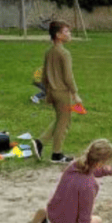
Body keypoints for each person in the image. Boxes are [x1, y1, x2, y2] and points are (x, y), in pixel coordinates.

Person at [24, 139, 112, 223]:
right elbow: (84, 220)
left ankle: (44, 217)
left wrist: (110, 170)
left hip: (51, 214)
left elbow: (91, 170)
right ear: (100, 163)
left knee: (63, 206)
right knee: (97, 221)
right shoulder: (89, 186)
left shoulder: (74, 165)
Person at [34, 21, 82, 164]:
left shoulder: (49, 52)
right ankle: (57, 154)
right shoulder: (64, 53)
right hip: (62, 92)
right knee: (64, 122)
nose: (69, 34)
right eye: (66, 31)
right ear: (58, 35)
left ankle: (40, 143)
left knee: (60, 120)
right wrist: (75, 93)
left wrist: (47, 92)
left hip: (52, 91)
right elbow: (68, 76)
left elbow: (43, 76)